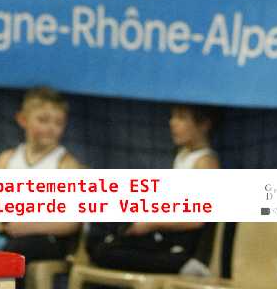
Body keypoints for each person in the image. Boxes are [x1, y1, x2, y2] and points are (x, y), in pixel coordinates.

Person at [86, 104, 220, 275]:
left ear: (204, 125)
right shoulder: (182, 155)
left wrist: (151, 224)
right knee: (97, 244)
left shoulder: (206, 163)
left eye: (181, 118)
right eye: (172, 116)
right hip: (164, 236)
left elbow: (197, 219)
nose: (173, 123)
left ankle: (185, 265)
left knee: (106, 252)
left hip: (184, 246)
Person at [0, 86, 82, 280]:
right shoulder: (7, 159)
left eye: (58, 122)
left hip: (49, 239)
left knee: (13, 255)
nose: (51, 128)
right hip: (8, 233)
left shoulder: (66, 165)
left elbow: (71, 224)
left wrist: (27, 226)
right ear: (23, 119)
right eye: (43, 120)